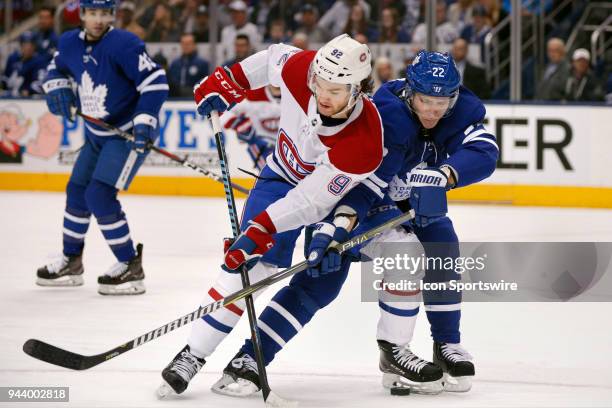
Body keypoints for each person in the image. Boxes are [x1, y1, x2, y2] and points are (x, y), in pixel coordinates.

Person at [212, 50, 498, 396]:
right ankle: (249, 361)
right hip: (361, 204)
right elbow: (361, 187)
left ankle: (438, 346)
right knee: (319, 284)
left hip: (415, 203)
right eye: (426, 100)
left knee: (441, 248)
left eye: (443, 102)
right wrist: (333, 229)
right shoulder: (387, 115)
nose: (434, 110)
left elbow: (484, 149)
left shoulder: (460, 107)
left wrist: (444, 175)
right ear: (410, 92)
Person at [157, 33, 383, 397]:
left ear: (358, 89)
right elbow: (273, 58)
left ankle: (251, 359)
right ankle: (193, 354)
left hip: (329, 204)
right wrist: (231, 81)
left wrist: (264, 225)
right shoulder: (301, 69)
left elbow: (310, 201)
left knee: (320, 284)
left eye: (336, 90)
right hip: (279, 175)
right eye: (319, 85)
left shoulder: (364, 142)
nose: (323, 96)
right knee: (248, 266)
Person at [35, 0, 169, 295]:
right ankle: (71, 260)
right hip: (96, 134)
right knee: (77, 191)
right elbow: (56, 67)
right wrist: (56, 84)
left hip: (125, 135)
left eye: (105, 13)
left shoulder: (124, 44)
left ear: (113, 15)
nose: (98, 19)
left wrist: (146, 119)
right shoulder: (69, 42)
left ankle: (130, 266)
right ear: (82, 14)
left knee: (99, 195)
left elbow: (156, 81)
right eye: (92, 13)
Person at [220, 85, 281, 170]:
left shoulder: (295, 94)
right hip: (261, 145)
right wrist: (238, 124)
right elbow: (223, 112)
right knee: (272, 174)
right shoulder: (251, 95)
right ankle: (268, 178)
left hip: (291, 147)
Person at [2, 31, 48, 97]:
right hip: (9, 95)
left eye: (31, 45)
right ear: (20, 45)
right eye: (25, 44)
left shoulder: (40, 61)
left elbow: (41, 84)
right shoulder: (13, 58)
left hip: (28, 98)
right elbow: (5, 78)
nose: (28, 48)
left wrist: (28, 91)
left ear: (35, 46)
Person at [168, 33, 209, 97]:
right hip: (175, 98)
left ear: (194, 45)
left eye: (188, 43)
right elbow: (171, 82)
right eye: (183, 43)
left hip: (193, 98)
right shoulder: (175, 63)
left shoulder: (202, 63)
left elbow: (205, 86)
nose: (185, 46)